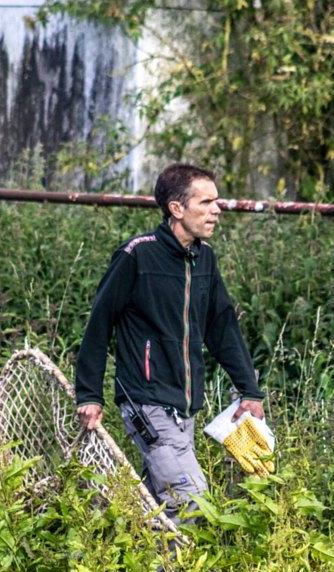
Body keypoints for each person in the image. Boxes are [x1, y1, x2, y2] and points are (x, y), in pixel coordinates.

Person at [74, 163, 265, 537]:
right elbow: (99, 324)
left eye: (216, 201)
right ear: (177, 209)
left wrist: (250, 391)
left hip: (186, 407)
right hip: (147, 404)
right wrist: (89, 394)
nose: (216, 210)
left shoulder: (204, 258)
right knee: (192, 497)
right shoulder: (137, 256)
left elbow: (222, 326)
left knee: (157, 506)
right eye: (206, 202)